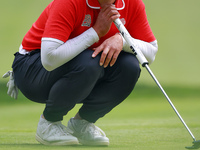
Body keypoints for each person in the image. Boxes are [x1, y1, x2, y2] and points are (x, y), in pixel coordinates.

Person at [5, 0, 158, 146]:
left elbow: (150, 52)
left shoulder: (132, 4)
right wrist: (96, 31)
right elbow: (49, 59)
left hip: (80, 67)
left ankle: (82, 123)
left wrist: (123, 41)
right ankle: (48, 123)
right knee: (90, 62)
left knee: (130, 66)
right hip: (32, 69)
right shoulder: (69, 2)